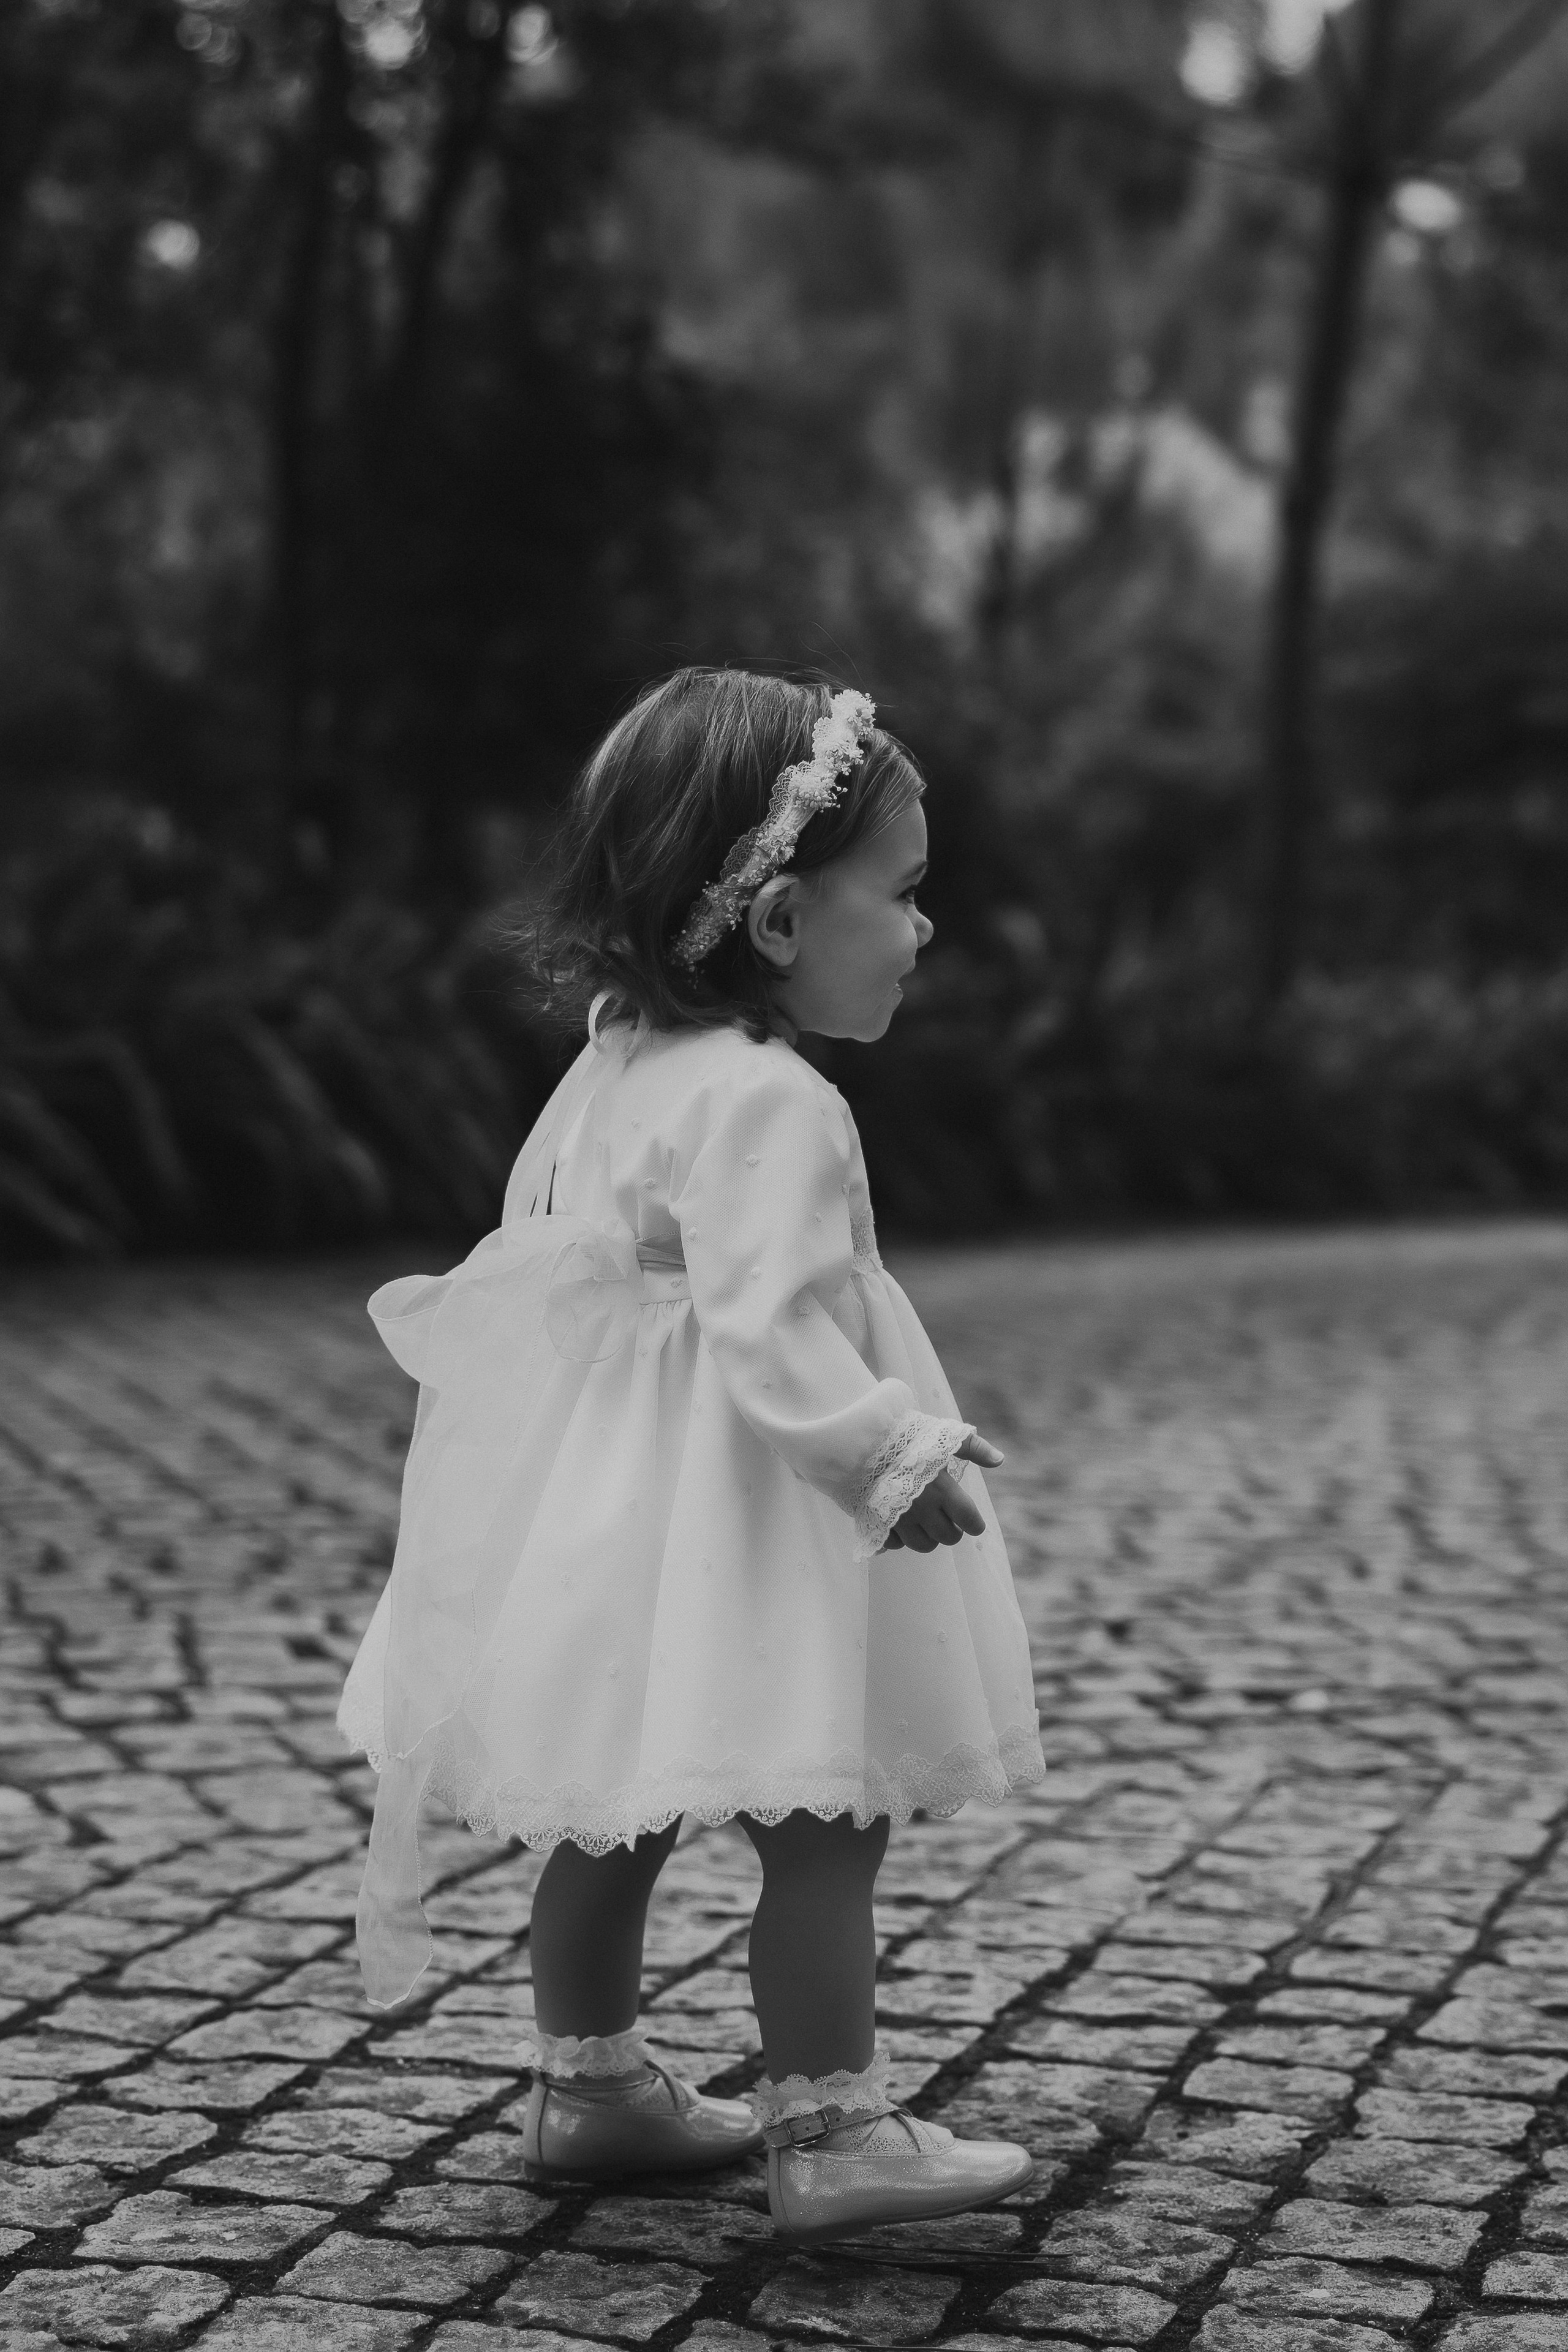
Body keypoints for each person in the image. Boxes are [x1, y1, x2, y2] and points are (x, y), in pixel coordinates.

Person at [338, 669, 1045, 2244]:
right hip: (748, 1509)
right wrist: (887, 1450)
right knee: (825, 1820)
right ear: (782, 923)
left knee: (617, 1800)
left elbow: (548, 1258)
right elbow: (775, 1324)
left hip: (616, 1504)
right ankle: (835, 2128)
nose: (925, 929)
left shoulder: (611, 1065)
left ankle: (587, 2086)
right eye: (906, 894)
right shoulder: (772, 1097)